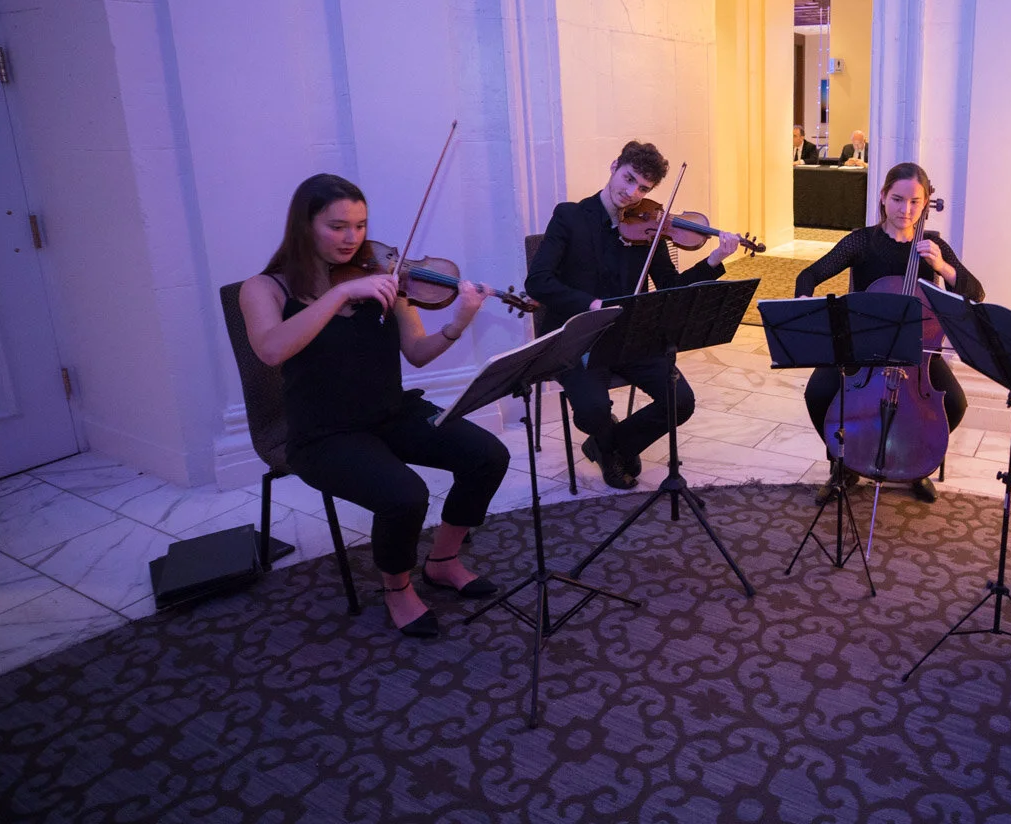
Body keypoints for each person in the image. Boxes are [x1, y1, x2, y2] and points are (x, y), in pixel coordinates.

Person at [239, 173, 510, 639]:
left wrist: (459, 322)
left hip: (390, 412)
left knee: (487, 455)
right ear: (304, 226)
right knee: (405, 496)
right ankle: (397, 589)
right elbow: (271, 349)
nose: (353, 238)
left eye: (360, 225)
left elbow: (417, 353)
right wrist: (340, 294)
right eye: (337, 226)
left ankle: (443, 560)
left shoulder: (384, 277)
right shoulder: (265, 289)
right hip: (323, 433)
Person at [525, 141, 742, 489]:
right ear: (614, 166)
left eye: (643, 188)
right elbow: (537, 281)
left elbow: (671, 286)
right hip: (579, 336)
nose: (632, 193)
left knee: (681, 401)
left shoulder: (650, 228)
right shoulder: (570, 217)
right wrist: (591, 304)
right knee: (591, 411)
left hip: (629, 334)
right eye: (628, 179)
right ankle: (608, 440)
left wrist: (714, 260)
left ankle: (611, 446)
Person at [794, 161, 983, 503]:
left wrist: (942, 267)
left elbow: (976, 294)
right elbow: (808, 275)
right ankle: (843, 464)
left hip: (916, 351)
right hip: (865, 346)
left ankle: (915, 463)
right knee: (818, 394)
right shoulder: (862, 242)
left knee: (955, 403)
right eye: (897, 199)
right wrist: (805, 302)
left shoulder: (933, 246)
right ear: (882, 197)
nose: (905, 210)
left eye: (914, 202)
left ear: (925, 204)